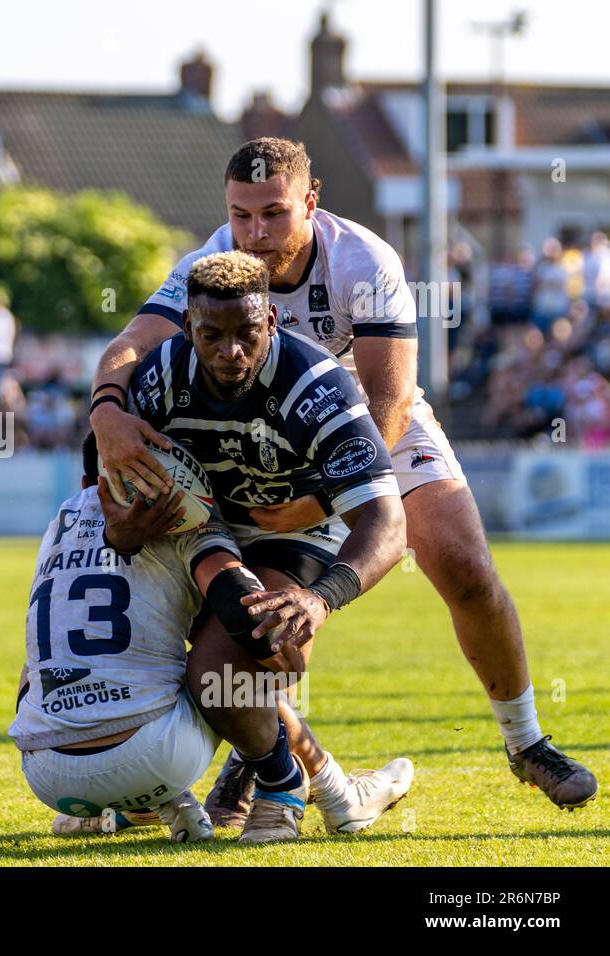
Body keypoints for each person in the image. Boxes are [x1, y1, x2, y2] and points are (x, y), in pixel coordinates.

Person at [89, 138, 597, 816]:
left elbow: (388, 401)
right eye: (241, 216)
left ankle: (527, 741)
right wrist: (106, 413)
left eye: (273, 213)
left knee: (465, 564)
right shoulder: (213, 262)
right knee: (249, 618)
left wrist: (319, 502)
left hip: (371, 425)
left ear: (311, 201)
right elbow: (132, 343)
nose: (255, 234)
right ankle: (248, 758)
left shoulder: (363, 259)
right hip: (263, 438)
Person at [13, 429, 411, 844]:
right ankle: (294, 788)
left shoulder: (61, 520)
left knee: (44, 663)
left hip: (48, 777)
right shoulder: (184, 516)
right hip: (158, 756)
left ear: (88, 485)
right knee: (218, 664)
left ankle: (150, 804)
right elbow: (243, 614)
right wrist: (279, 646)